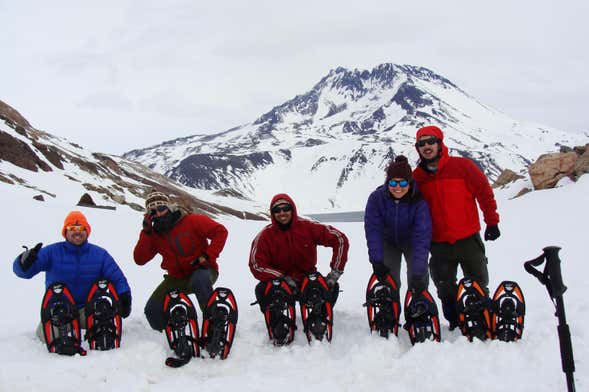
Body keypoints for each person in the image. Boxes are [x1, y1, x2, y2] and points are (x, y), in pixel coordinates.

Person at [412, 125, 500, 329]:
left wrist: (492, 222)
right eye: (421, 143)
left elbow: (484, 193)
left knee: (478, 282)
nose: (426, 146)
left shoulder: (463, 167)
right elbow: (410, 207)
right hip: (438, 242)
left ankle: (481, 318)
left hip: (468, 237)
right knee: (445, 288)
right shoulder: (417, 178)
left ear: (440, 143)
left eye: (431, 141)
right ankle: (455, 322)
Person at [12, 210, 132, 342]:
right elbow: (24, 273)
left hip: (88, 309)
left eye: (81, 228)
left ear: (87, 231)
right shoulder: (51, 252)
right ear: (65, 231)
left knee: (105, 330)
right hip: (60, 309)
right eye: (72, 228)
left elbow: (118, 278)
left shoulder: (100, 255)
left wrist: (124, 297)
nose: (77, 232)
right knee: (47, 337)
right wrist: (23, 262)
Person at [133, 190, 228, 331]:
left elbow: (220, 231)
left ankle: (214, 326)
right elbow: (140, 259)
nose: (159, 213)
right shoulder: (154, 234)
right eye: (153, 211)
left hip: (203, 270)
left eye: (161, 208)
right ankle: (173, 335)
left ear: (168, 207)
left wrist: (208, 256)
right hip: (176, 277)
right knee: (152, 310)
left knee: (199, 280)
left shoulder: (191, 221)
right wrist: (146, 232)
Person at [249, 193, 349, 306]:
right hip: (281, 282)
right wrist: (282, 277)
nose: (282, 213)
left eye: (286, 208)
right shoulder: (265, 236)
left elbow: (340, 239)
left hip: (307, 278)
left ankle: (319, 318)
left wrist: (335, 273)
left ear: (292, 209)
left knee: (331, 288)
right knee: (261, 290)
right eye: (277, 210)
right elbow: (256, 264)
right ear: (272, 213)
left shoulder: (308, 227)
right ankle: (277, 321)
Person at [364, 155, 432, 293]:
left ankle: (417, 307)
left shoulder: (418, 200)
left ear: (410, 182)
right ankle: (389, 309)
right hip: (388, 241)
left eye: (403, 183)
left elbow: (422, 236)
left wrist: (418, 273)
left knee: (418, 280)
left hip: (411, 242)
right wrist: (377, 261)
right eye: (393, 183)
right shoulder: (377, 198)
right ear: (387, 182)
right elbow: (373, 230)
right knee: (388, 282)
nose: (398, 188)